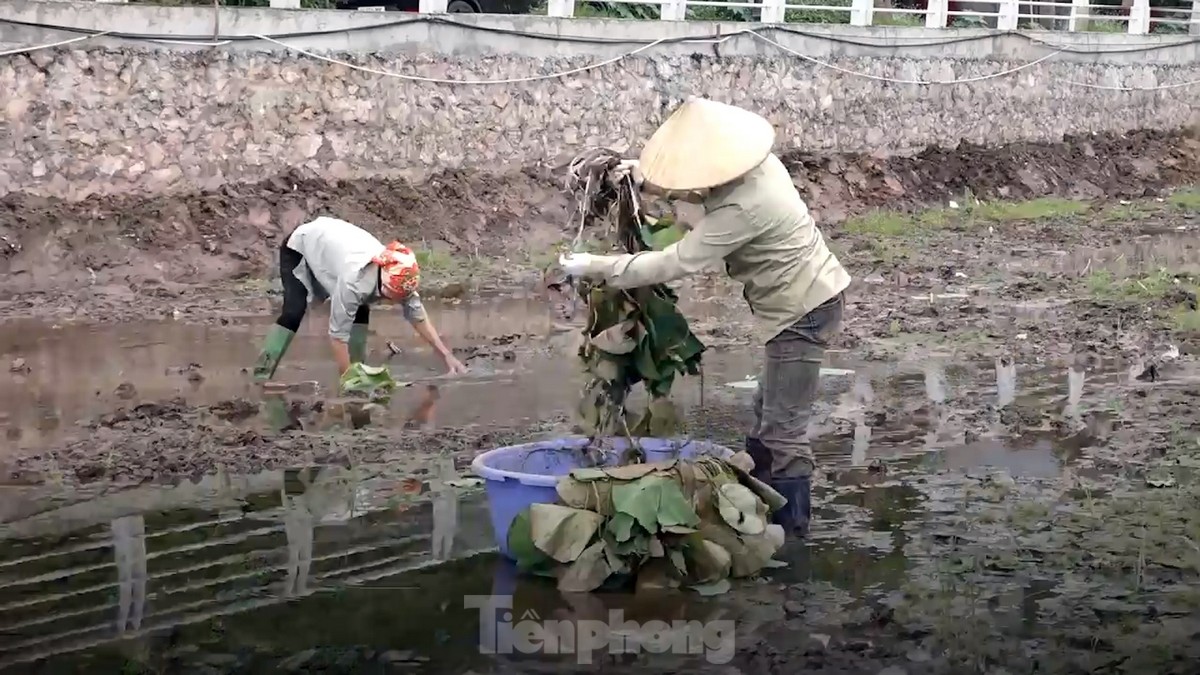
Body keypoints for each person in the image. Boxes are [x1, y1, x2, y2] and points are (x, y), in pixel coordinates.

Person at [558, 97, 851, 538]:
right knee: (766, 410)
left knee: (783, 430)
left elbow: (672, 263)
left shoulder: (746, 207)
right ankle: (761, 505)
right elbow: (698, 185)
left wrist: (595, 266)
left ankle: (792, 537)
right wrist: (638, 175)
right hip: (801, 301)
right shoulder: (760, 164)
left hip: (803, 310)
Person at [252, 216, 468, 385]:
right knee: (294, 311)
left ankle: (358, 367)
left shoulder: (401, 273)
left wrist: (447, 356)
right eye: (391, 298)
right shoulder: (353, 282)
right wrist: (348, 382)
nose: (392, 303)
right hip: (300, 245)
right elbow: (337, 336)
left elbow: (418, 316)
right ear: (385, 285)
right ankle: (261, 374)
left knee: (361, 309)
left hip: (334, 246)